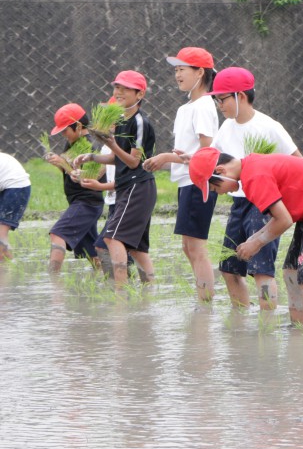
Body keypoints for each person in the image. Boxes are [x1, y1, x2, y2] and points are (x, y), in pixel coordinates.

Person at [188, 146, 303, 331]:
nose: (219, 192)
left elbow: (284, 220)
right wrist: (252, 240)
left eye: (215, 187)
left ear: (220, 171)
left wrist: (255, 243)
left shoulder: (254, 177)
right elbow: (279, 218)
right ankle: (297, 331)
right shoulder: (250, 167)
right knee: (292, 272)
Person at [205, 66, 302, 311]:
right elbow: (210, 157)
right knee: (229, 267)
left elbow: (299, 162)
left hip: (265, 203)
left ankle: (266, 329)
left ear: (241, 96)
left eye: (222, 98)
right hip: (239, 202)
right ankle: (241, 324)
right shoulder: (226, 127)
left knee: (261, 270)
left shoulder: (269, 126)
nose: (219, 104)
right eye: (216, 99)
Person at [143, 47, 220, 302]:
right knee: (188, 247)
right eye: (175, 70)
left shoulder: (204, 106)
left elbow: (208, 153)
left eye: (182, 69)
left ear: (200, 72)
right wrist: (167, 160)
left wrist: (166, 157)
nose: (177, 75)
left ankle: (206, 305)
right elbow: (188, 152)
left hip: (200, 183)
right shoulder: (186, 108)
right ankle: (203, 300)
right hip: (186, 182)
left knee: (196, 248)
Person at [74, 70, 157, 286]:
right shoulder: (121, 121)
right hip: (128, 188)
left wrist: (111, 144)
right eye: (117, 87)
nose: (118, 91)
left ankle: (120, 293)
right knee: (137, 249)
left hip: (137, 186)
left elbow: (133, 162)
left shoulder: (139, 122)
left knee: (112, 238)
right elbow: (115, 157)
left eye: (125, 88)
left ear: (140, 95)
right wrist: (91, 156)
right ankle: (150, 292)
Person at [46, 103, 103, 272]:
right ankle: (109, 280)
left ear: (78, 126)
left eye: (65, 131)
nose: (64, 135)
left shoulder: (89, 146)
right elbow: (68, 170)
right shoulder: (71, 143)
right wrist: (59, 163)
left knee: (58, 234)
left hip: (87, 202)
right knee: (91, 251)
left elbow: (91, 176)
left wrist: (63, 163)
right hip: (78, 202)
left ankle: (52, 281)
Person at [0, 152, 31, 261]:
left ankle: (4, 272)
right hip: (8, 187)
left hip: (16, 188)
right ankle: (9, 267)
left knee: (1, 234)